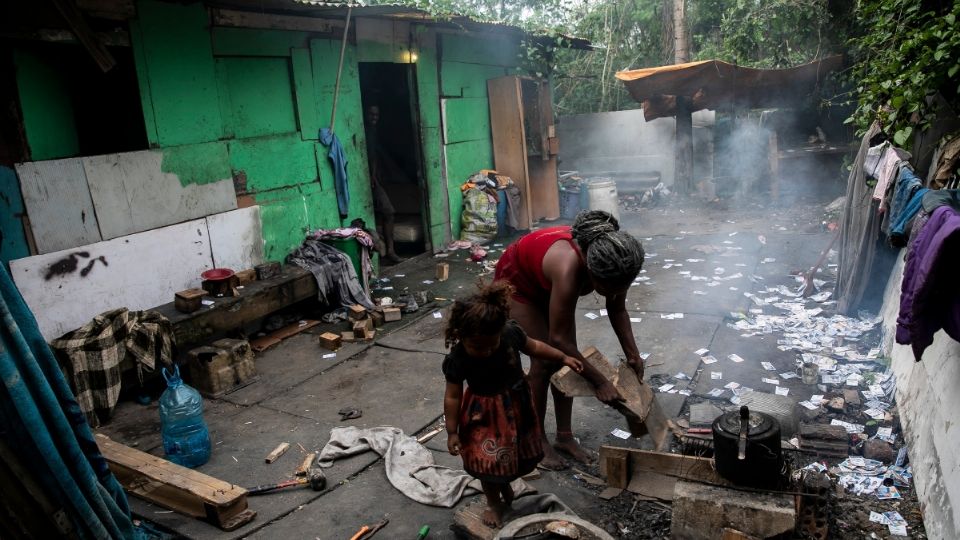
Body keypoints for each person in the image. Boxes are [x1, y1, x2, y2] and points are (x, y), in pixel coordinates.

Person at [494, 210, 645, 470]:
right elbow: (559, 339)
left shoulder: (616, 261)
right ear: (590, 269)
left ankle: (564, 437)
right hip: (518, 284)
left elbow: (617, 308)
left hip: (545, 280)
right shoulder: (568, 269)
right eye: (610, 289)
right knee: (544, 363)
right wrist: (600, 381)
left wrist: (633, 355)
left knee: (566, 364)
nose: (616, 293)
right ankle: (536, 440)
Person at [443, 281, 583, 527]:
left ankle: (505, 486)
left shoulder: (510, 333)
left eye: (491, 344)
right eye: (477, 346)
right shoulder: (458, 359)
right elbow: (453, 396)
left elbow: (535, 346)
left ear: (500, 332)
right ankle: (494, 503)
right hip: (484, 418)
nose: (485, 351)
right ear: (460, 335)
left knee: (512, 458)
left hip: (517, 410)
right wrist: (452, 431)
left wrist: (562, 356)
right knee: (488, 462)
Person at [364, 104, 401, 263]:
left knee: (388, 212)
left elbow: (375, 157)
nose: (374, 118)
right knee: (386, 212)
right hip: (365, 179)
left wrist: (375, 175)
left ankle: (390, 252)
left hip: (374, 179)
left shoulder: (373, 132)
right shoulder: (363, 131)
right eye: (371, 114)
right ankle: (384, 254)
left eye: (377, 115)